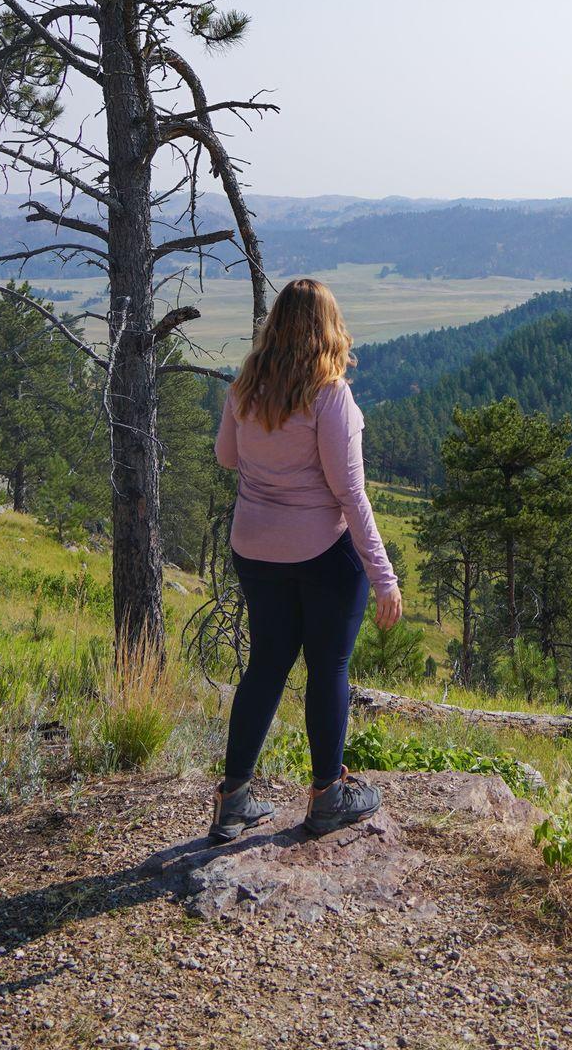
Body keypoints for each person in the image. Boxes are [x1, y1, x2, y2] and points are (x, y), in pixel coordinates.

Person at [208, 277, 403, 843]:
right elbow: (350, 493)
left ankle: (233, 799)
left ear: (276, 326)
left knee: (267, 664)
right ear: (328, 328)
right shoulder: (329, 394)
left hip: (254, 547)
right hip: (321, 552)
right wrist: (382, 576)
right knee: (328, 667)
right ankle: (326, 796)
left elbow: (226, 457)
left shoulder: (247, 386)